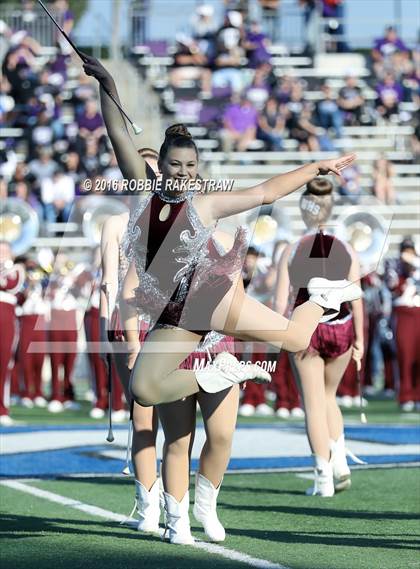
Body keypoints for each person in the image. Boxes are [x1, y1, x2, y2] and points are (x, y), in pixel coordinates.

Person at [82, 53, 361, 410]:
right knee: (145, 390)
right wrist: (107, 83)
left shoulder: (205, 204)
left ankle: (318, 298)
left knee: (295, 338)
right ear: (161, 165)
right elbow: (117, 131)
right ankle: (217, 371)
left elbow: (265, 192)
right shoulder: (143, 190)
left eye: (191, 166)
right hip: (171, 312)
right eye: (175, 165)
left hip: (207, 299)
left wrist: (315, 168)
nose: (183, 172)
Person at [274, 177, 364, 495]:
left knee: (313, 404)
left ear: (303, 209)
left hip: (307, 329)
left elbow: (280, 302)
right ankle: (340, 462)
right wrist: (360, 340)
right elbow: (357, 296)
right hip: (342, 327)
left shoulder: (291, 248)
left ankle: (323, 476)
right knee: (328, 398)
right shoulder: (347, 247)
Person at [0, 240, 24, 426]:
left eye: (5, 250)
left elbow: (11, 285)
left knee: (4, 363)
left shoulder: (16, 269)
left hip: (6, 316)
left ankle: (2, 409)